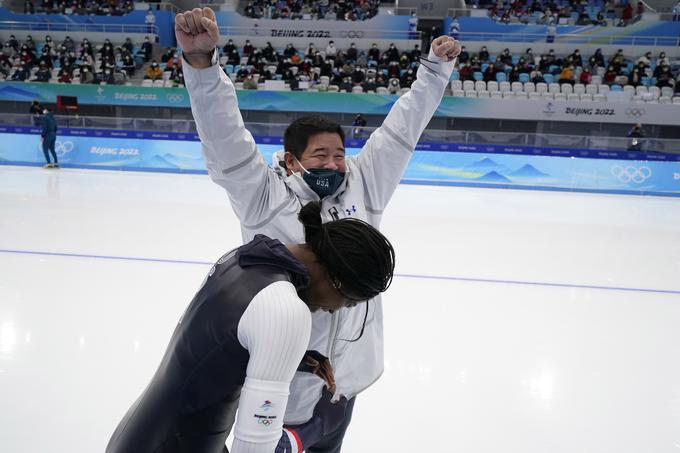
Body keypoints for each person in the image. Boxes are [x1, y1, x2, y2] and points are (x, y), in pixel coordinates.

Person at [175, 7, 459, 452]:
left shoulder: (364, 183)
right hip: (284, 370)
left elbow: (403, 130)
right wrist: (202, 66)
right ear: (291, 160)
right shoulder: (263, 195)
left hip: (343, 377)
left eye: (339, 154)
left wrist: (436, 73)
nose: (333, 164)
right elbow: (224, 136)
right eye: (320, 155)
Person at [105, 201, 396, 453]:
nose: (335, 310)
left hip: (144, 434)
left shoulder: (249, 257)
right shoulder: (286, 312)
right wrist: (315, 428)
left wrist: (292, 359)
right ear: (337, 281)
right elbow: (256, 446)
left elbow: (222, 345)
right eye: (348, 302)